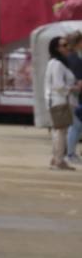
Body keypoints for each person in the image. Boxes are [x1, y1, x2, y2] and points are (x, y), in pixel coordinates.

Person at [45, 35, 79, 170]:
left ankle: (57, 158)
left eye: (67, 45)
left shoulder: (56, 63)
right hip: (60, 101)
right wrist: (74, 87)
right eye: (64, 45)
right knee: (61, 131)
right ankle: (59, 160)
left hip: (58, 100)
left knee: (59, 130)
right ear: (57, 48)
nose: (67, 48)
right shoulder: (58, 64)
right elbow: (58, 85)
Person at [63, 31, 82, 164]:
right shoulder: (76, 59)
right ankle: (70, 154)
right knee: (76, 126)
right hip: (74, 97)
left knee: (75, 126)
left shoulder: (68, 57)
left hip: (71, 96)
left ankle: (69, 153)